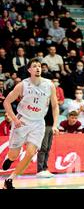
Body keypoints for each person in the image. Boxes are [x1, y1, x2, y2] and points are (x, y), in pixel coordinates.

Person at [1, 58, 59, 189]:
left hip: (38, 123)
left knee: (31, 152)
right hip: (22, 121)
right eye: (35, 66)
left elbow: (55, 106)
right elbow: (6, 102)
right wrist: (15, 120)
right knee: (14, 154)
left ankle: (10, 179)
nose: (38, 68)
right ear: (29, 70)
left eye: (39, 66)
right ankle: (9, 159)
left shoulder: (49, 85)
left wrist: (55, 124)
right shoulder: (22, 85)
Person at [36, 78, 65, 178]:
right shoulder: (42, 99)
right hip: (43, 125)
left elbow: (56, 112)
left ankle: (45, 168)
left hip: (51, 125)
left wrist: (55, 125)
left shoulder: (53, 100)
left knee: (47, 148)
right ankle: (40, 169)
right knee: (43, 148)